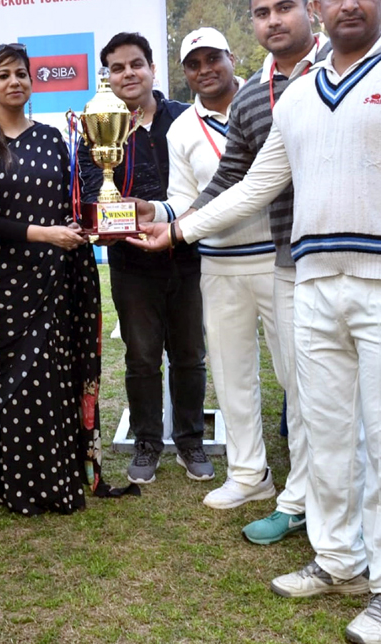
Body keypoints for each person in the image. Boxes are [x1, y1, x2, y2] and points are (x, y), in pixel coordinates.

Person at [133, 0, 381, 644]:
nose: (350, 2)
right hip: (315, 285)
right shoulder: (300, 94)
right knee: (325, 432)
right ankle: (340, 559)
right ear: (321, 7)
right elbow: (256, 184)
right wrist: (178, 228)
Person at [0, 43, 107, 515]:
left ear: (32, 81)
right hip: (2, 284)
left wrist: (82, 225)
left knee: (54, 378)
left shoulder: (52, 138)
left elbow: (66, 204)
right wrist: (48, 235)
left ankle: (58, 480)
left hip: (53, 277)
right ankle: (17, 486)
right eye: (3, 75)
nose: (14, 82)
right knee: (14, 385)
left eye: (21, 73)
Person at [140, 25, 282, 509]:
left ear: (232, 57)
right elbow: (184, 200)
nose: (205, 70)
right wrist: (152, 211)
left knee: (296, 376)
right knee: (232, 376)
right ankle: (248, 474)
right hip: (219, 263)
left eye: (212, 59)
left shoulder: (268, 102)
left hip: (279, 258)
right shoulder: (182, 128)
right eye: (193, 64)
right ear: (184, 72)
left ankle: (308, 480)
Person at [79, 32, 208, 484]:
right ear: (108, 77)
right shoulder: (96, 125)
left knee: (190, 354)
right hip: (132, 264)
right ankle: (148, 442)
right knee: (141, 357)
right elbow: (92, 189)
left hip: (188, 255)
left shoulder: (186, 117)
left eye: (136, 64)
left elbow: (205, 185)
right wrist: (109, 220)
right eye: (117, 68)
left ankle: (190, 440)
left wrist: (172, 221)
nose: (128, 74)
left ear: (153, 68)